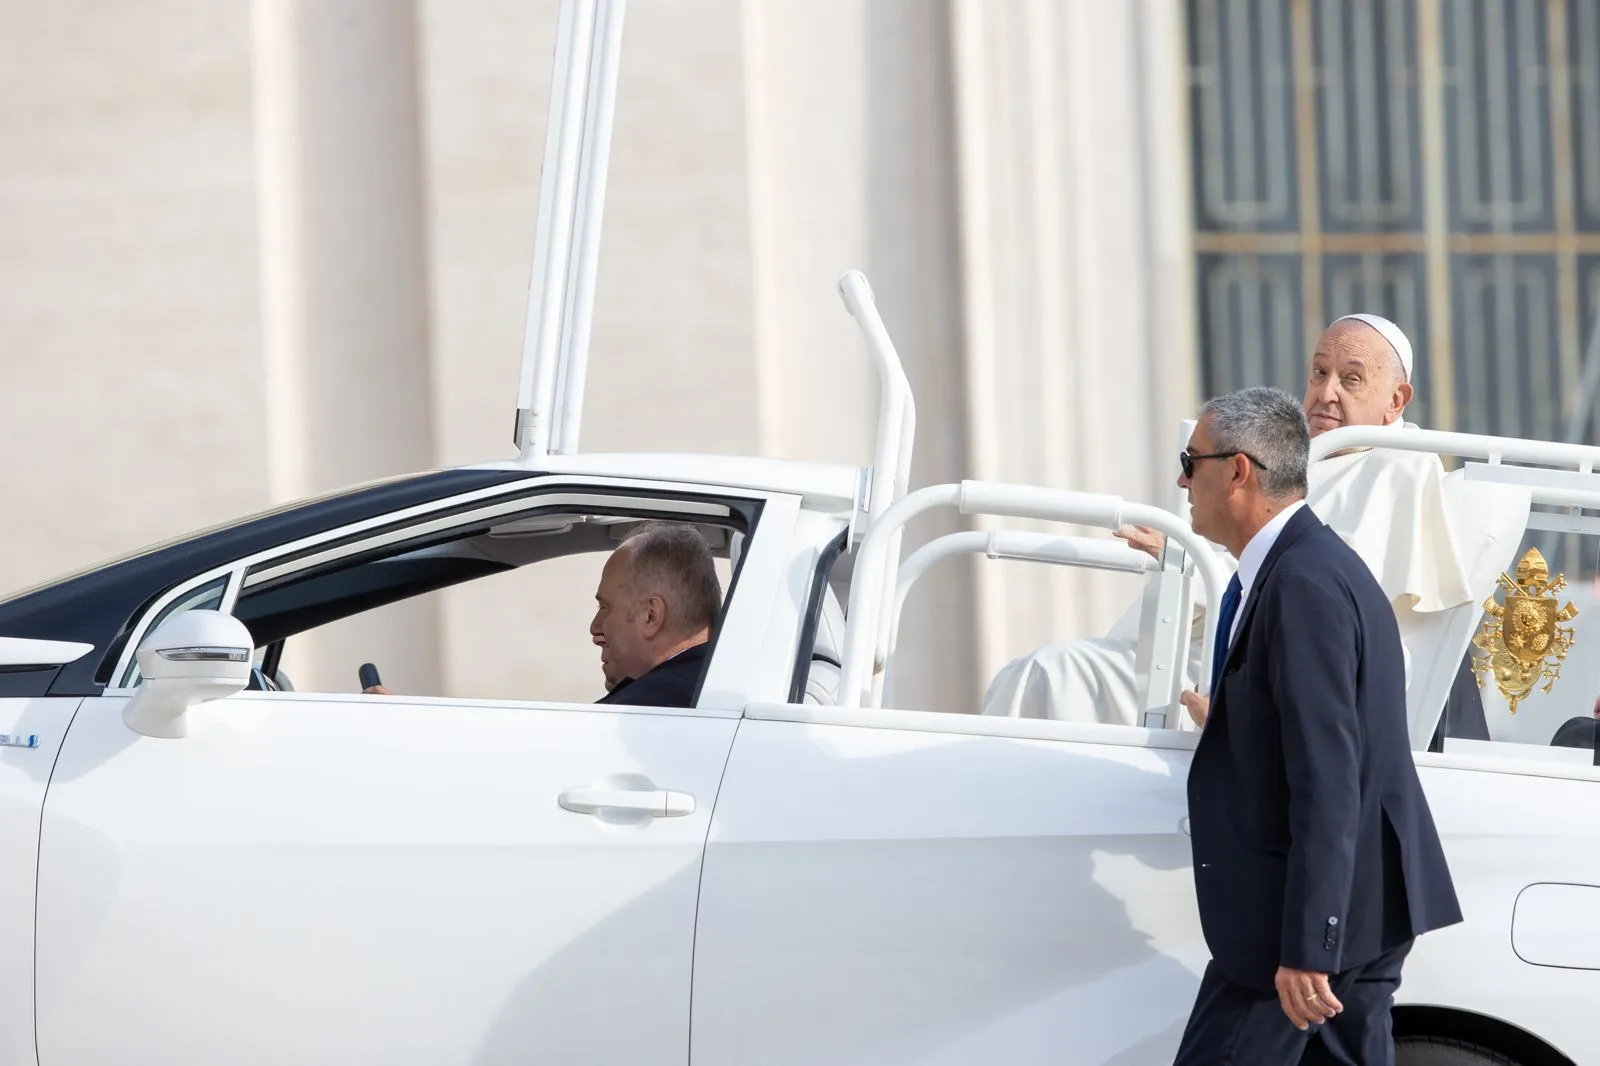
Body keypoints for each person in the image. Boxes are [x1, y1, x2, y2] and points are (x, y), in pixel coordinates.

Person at [983, 313, 1489, 747]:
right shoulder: (1303, 458)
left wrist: (1190, 564)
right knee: (1034, 671)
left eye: (1350, 379)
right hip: (1210, 645)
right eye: (1318, 372)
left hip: (1265, 672)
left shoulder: (1398, 472)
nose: (1325, 392)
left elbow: (1322, 605)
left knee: (1051, 674)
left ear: (1396, 400)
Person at [1172, 386, 1461, 1065]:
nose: (1183, 480)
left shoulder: (1301, 582)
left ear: (1238, 472)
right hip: (1354, 911)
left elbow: (1331, 778)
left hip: (1312, 931)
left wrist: (1311, 945)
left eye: (1192, 461)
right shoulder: (1309, 564)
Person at [589, 521, 721, 707]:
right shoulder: (723, 686)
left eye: (605, 607)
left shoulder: (639, 709)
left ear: (651, 615)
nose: (594, 629)